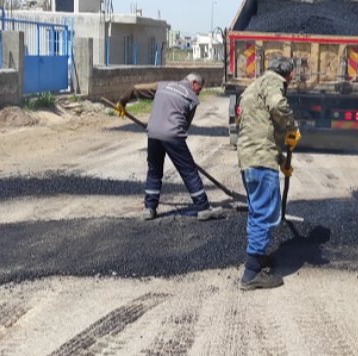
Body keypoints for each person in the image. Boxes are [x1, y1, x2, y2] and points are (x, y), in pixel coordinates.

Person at [115, 73, 221, 221]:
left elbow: (134, 89)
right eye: (200, 88)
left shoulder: (162, 86)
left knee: (154, 171)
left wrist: (122, 102)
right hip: (173, 136)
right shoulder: (192, 98)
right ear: (194, 83)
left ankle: (149, 209)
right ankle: (203, 208)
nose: (199, 92)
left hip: (153, 134)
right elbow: (185, 125)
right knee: (189, 171)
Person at [236, 56, 300, 290]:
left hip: (249, 159)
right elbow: (278, 106)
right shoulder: (273, 82)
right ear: (289, 74)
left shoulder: (252, 88)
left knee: (256, 210)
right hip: (261, 160)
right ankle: (251, 273)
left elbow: (257, 128)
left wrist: (281, 160)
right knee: (265, 213)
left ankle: (259, 258)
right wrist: (292, 127)